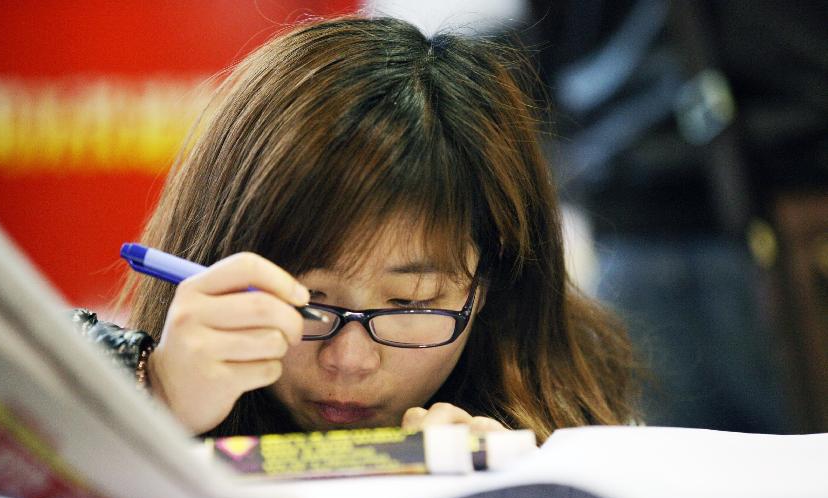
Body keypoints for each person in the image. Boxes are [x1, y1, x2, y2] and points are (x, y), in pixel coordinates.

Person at [74, 15, 639, 441]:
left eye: (411, 303)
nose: (349, 359)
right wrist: (154, 399)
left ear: (490, 289)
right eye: (307, 301)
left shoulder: (568, 437)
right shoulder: (95, 373)